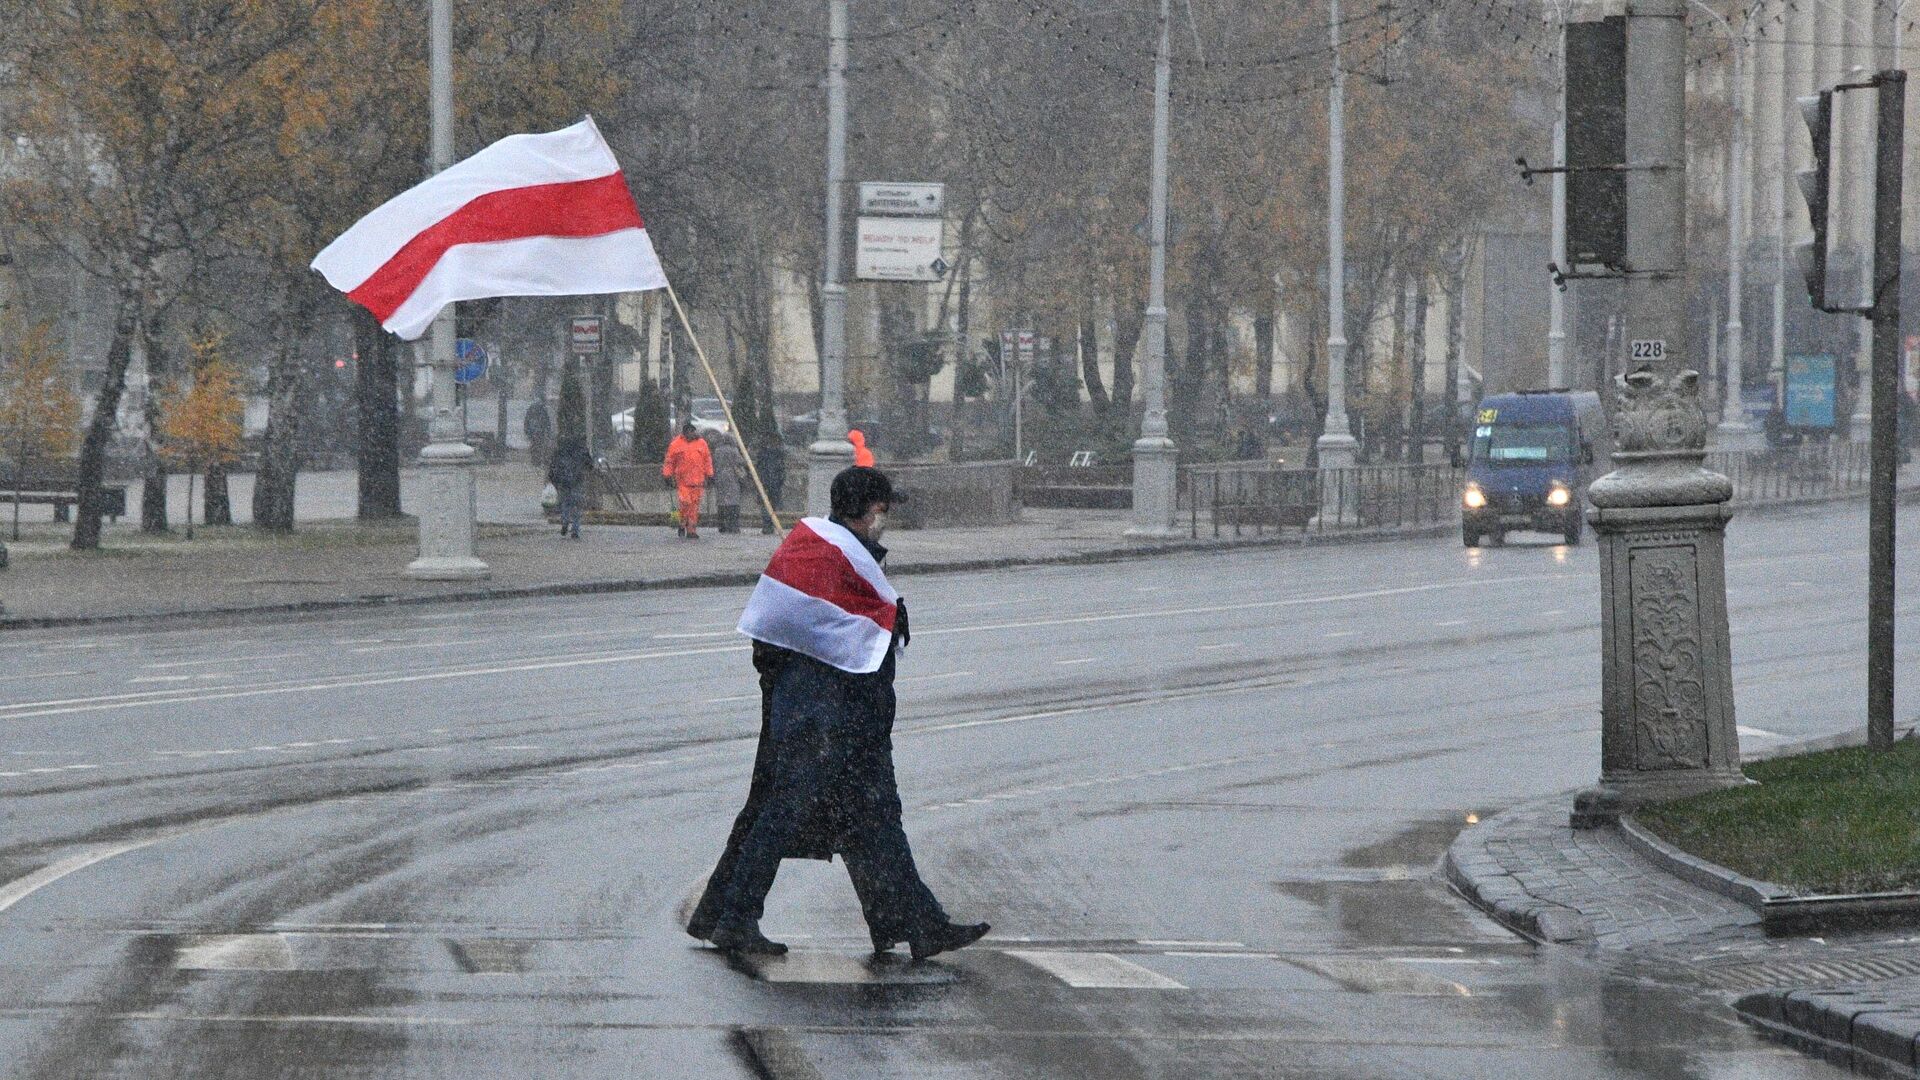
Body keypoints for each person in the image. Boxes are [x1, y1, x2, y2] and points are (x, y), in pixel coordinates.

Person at [690, 466, 989, 960]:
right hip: (827, 724)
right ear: (872, 512)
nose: (884, 520)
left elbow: (773, 641)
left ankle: (915, 925)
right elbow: (857, 642)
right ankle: (734, 917)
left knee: (871, 819)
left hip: (826, 718)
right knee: (783, 816)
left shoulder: (816, 552)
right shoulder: (839, 560)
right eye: (883, 511)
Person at [663, 422, 714, 538]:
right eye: (690, 432)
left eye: (693, 431)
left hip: (698, 481)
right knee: (686, 503)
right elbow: (669, 461)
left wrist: (710, 474)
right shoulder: (676, 444)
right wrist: (667, 475)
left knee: (694, 507)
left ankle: (691, 530)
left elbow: (707, 460)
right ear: (685, 433)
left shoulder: (702, 443)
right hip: (683, 481)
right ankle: (682, 523)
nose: (692, 434)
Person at [546, 435, 593, 540]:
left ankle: (565, 521)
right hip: (577, 481)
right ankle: (575, 530)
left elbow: (553, 466)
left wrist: (552, 479)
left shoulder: (560, 451)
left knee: (565, 503)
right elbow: (590, 465)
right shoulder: (581, 451)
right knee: (577, 506)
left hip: (563, 482)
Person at [709, 433, 748, 535]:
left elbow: (713, 463)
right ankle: (733, 526)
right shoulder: (733, 451)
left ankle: (722, 525)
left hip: (719, 477)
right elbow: (741, 462)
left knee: (721, 502)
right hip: (732, 478)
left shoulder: (717, 451)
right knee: (733, 502)